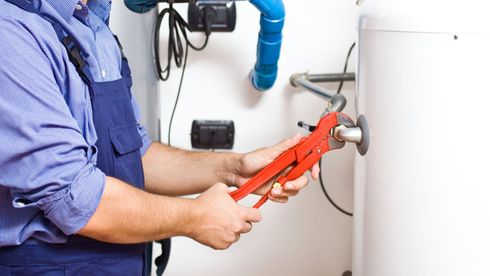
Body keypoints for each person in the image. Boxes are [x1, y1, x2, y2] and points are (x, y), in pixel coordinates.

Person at [0, 0, 319, 275]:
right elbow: (76, 199)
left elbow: (135, 156)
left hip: (120, 260)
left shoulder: (93, 26)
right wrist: (194, 217)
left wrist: (237, 169)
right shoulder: (11, 33)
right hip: (46, 267)